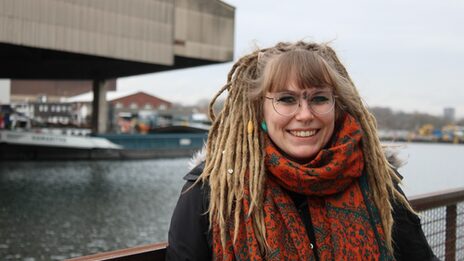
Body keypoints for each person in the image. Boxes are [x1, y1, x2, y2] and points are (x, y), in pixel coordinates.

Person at [166, 41, 437, 260]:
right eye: (286, 99)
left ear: (337, 106)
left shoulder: (376, 181)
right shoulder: (210, 190)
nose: (305, 114)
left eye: (319, 98)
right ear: (258, 109)